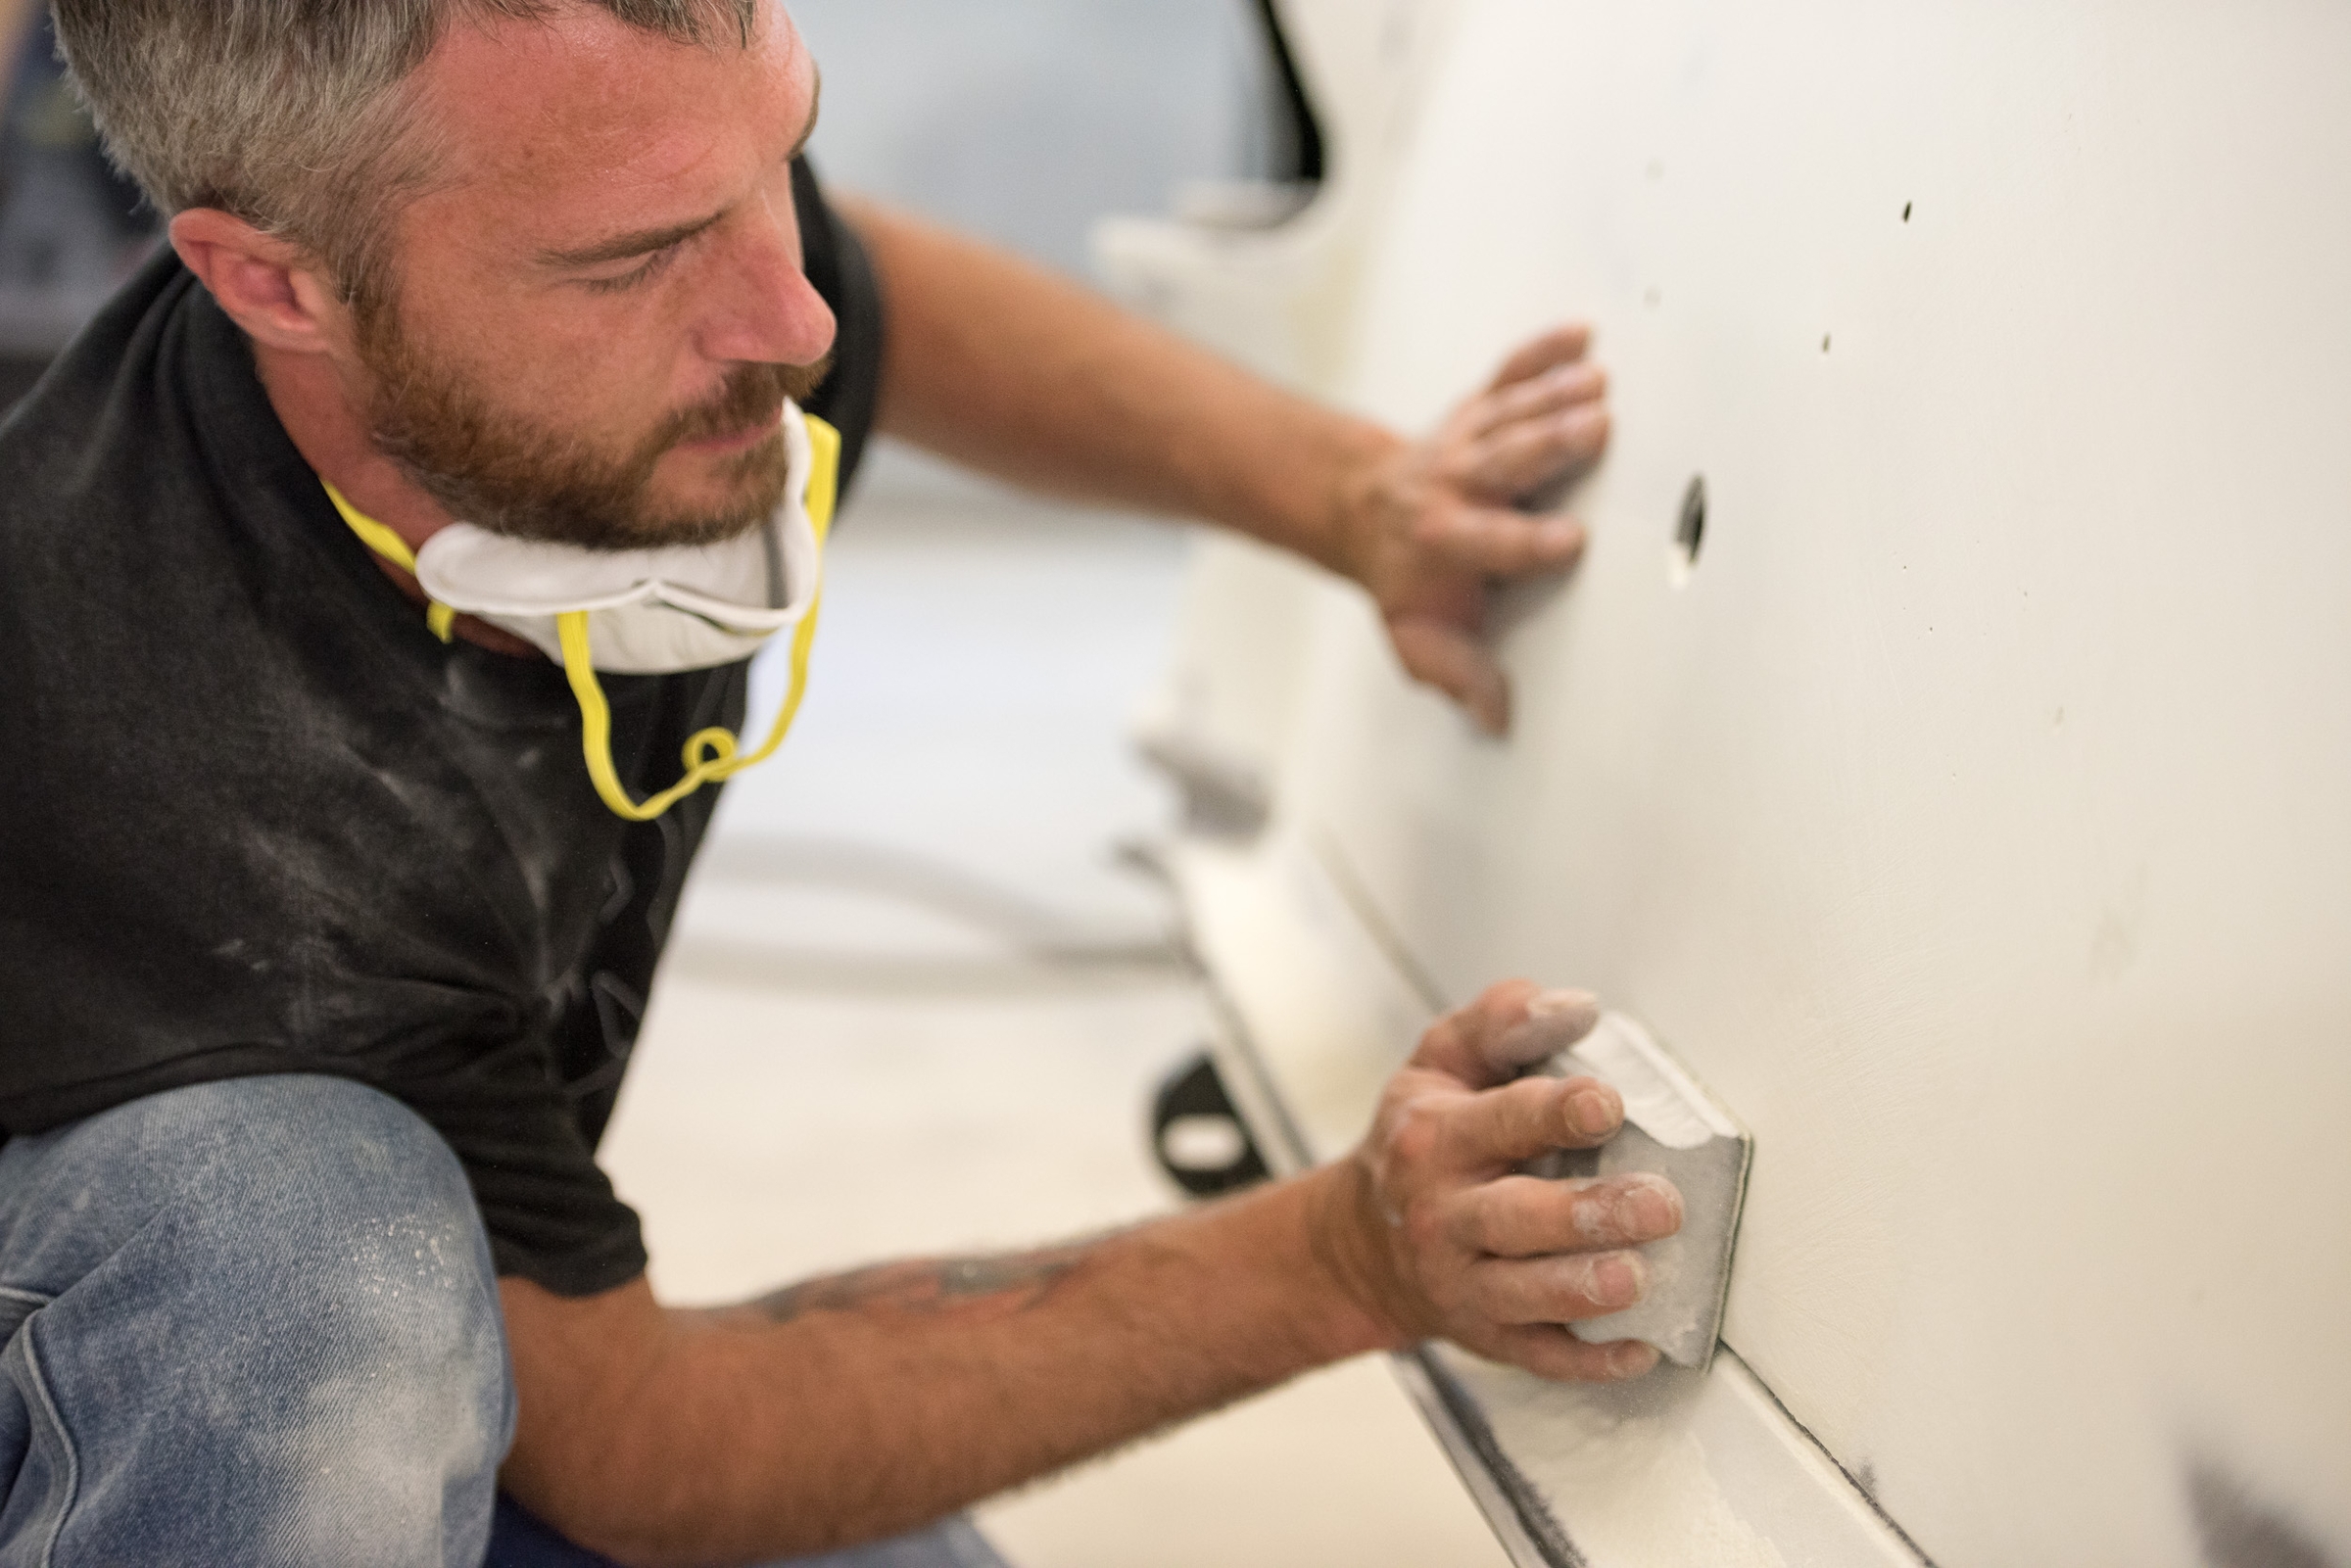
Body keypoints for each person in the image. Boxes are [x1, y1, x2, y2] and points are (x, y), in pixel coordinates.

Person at [0, 3, 1679, 1565]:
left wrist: (1357, 498)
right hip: (140, 1382)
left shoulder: (597, 297)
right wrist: (1341, 1258)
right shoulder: (179, 782)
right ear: (272, 284)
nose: (788, 317)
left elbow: (895, 308)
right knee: (303, 1277)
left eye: (774, 160)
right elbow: (644, 1446)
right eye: (641, 254)